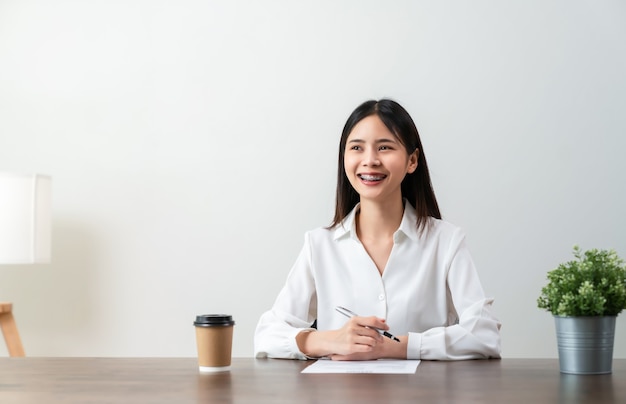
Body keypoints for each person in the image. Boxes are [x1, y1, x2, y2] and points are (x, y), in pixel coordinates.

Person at [254, 99, 501, 361]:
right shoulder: (319, 245)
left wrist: (398, 347)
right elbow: (267, 335)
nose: (370, 160)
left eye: (384, 147)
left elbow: (484, 335)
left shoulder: (446, 241)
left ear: (412, 160)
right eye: (357, 148)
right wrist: (328, 340)